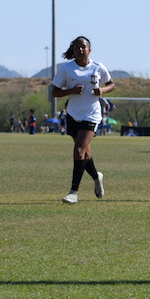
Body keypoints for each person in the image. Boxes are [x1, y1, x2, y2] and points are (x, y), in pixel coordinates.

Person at [51, 36, 114, 204]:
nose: (80, 49)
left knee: (79, 150)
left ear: (89, 50)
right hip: (72, 114)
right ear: (73, 51)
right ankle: (96, 177)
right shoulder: (67, 69)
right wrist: (70, 90)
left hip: (92, 114)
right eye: (77, 47)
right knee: (85, 154)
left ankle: (73, 192)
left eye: (83, 47)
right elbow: (55, 91)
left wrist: (102, 90)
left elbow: (111, 84)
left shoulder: (98, 67)